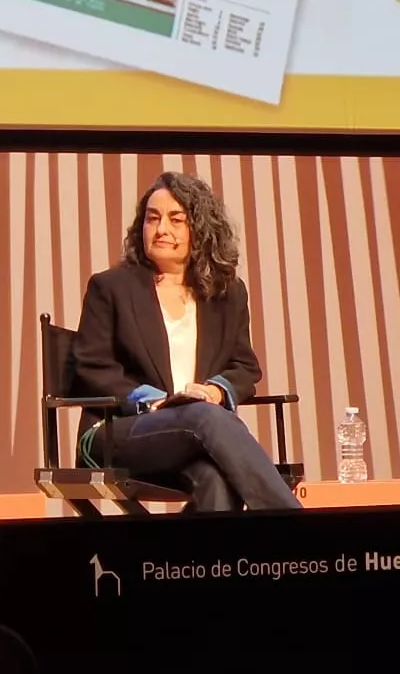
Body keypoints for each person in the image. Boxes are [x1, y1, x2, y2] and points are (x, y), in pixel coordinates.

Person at [69, 171, 300, 511]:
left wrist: (216, 390)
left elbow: (244, 366)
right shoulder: (112, 287)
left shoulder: (227, 293)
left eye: (175, 220)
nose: (161, 229)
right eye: (152, 219)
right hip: (115, 431)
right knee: (204, 417)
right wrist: (154, 402)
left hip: (193, 434)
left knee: (215, 479)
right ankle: (298, 528)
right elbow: (92, 366)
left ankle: (200, 565)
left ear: (201, 230)